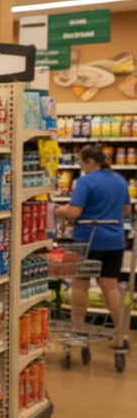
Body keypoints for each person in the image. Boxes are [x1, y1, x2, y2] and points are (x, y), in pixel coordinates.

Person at [54, 144, 131, 350]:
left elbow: (74, 212)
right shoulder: (120, 180)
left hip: (88, 240)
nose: (81, 167)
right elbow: (126, 210)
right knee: (111, 286)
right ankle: (121, 335)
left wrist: (57, 210)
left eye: (81, 163)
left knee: (80, 284)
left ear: (90, 162)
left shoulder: (85, 181)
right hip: (114, 241)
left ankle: (77, 330)